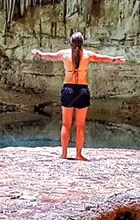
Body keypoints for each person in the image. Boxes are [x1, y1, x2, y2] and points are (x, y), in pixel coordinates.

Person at [30, 32, 126, 160]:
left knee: (66, 124)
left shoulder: (64, 54)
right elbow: (102, 58)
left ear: (71, 43)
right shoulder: (87, 55)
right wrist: (115, 59)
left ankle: (64, 154)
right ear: (82, 43)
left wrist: (39, 54)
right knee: (80, 125)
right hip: (82, 90)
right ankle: (78, 154)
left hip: (68, 89)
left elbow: (50, 56)